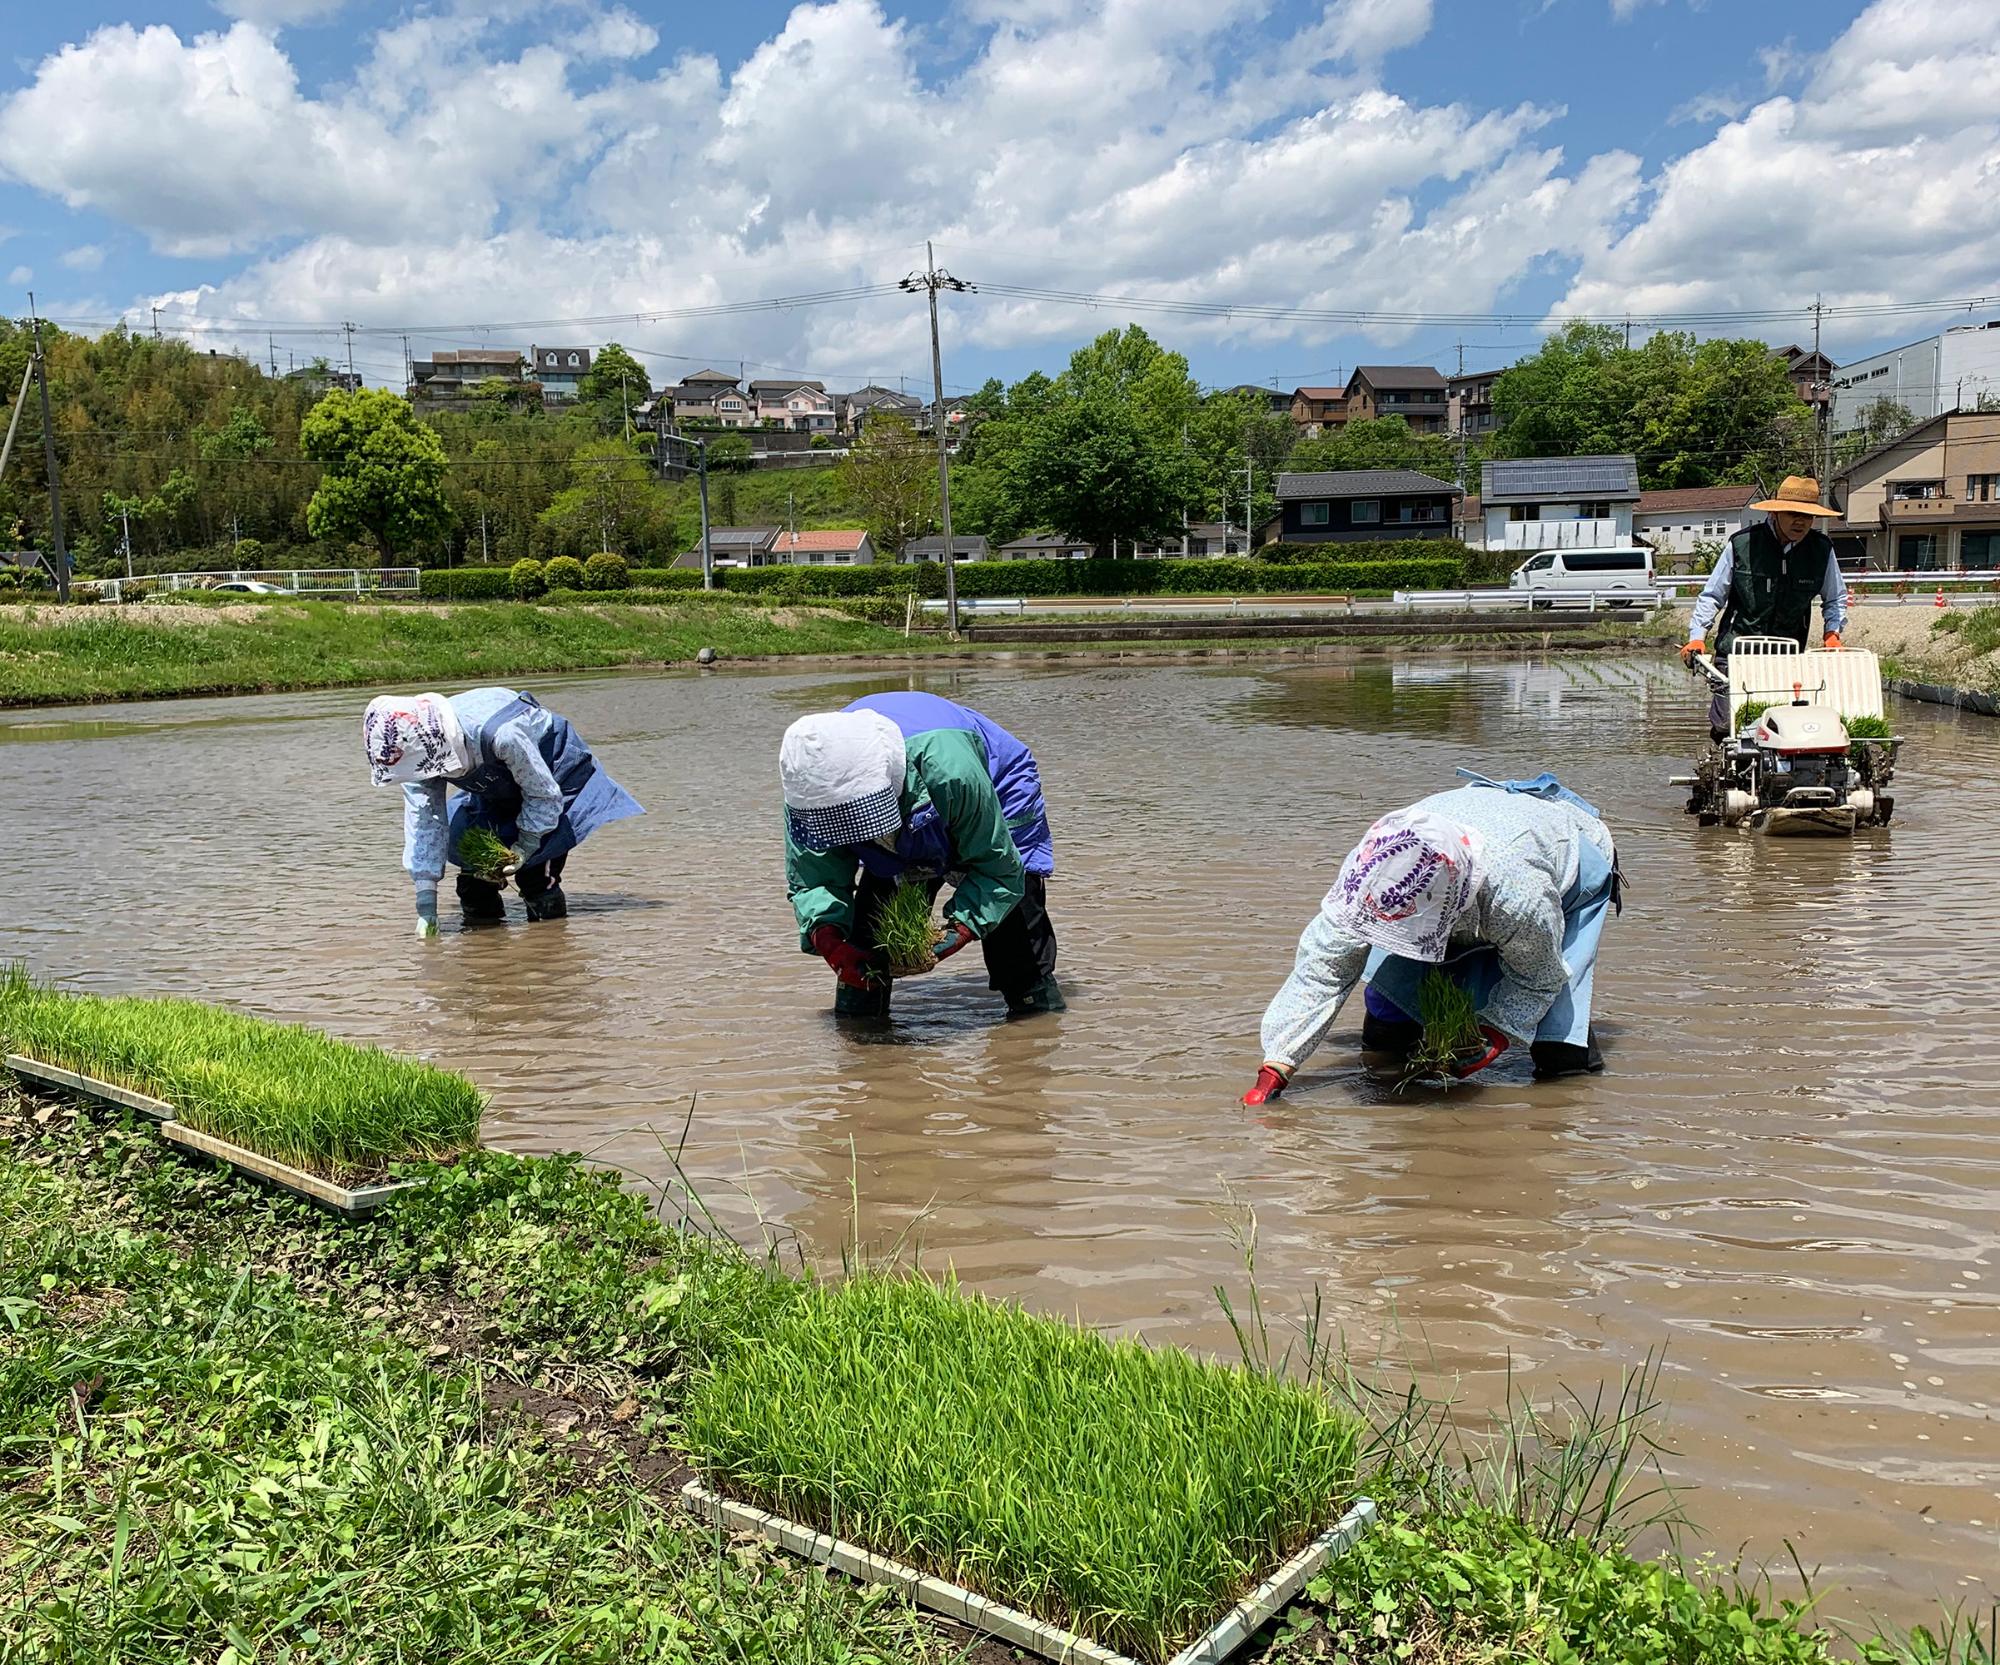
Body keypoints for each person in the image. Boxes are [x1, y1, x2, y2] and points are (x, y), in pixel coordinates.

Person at [1241, 772, 1620, 1105]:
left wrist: (1495, 1035)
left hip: (1562, 857)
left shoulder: (1517, 896)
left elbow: (1537, 976)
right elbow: (1322, 971)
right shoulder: (1373, 871)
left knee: (1560, 1055)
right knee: (1387, 1035)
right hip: (1460, 846)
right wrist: (1278, 1062)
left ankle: (1567, 1068)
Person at [780, 691, 1063, 1019]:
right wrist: (829, 940)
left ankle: (1034, 1014)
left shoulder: (954, 772)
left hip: (993, 782)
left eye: (862, 818)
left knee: (1014, 928)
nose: (864, 831)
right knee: (873, 929)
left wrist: (960, 930)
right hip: (908, 785)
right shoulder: (810, 788)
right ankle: (861, 1023)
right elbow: (815, 876)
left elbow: (997, 868)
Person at [363, 688, 642, 937]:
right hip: (496, 789)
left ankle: (550, 947)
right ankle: (485, 942)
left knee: (534, 878)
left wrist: (527, 844)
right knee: (475, 879)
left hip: (551, 775)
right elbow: (426, 818)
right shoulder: (414, 753)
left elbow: (542, 793)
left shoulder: (501, 733)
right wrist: (426, 901)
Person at [1681, 475, 1846, 739]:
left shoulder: (1821, 550)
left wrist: (1832, 634)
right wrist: (1697, 638)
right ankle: (1724, 775)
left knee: (1782, 726)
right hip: (1736, 651)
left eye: (1808, 516)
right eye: (1793, 513)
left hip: (1786, 655)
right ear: (1775, 511)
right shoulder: (1742, 545)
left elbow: (1835, 598)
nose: (1800, 521)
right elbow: (1712, 595)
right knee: (1728, 727)